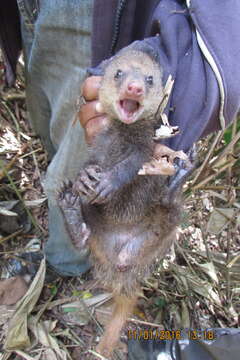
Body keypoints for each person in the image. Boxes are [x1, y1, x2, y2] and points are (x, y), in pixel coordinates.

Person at [1, 0, 240, 276]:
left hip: (94, 16)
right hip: (33, 10)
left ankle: (66, 262)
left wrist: (183, 84)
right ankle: (76, 238)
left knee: (74, 166)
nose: (135, 87)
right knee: (52, 128)